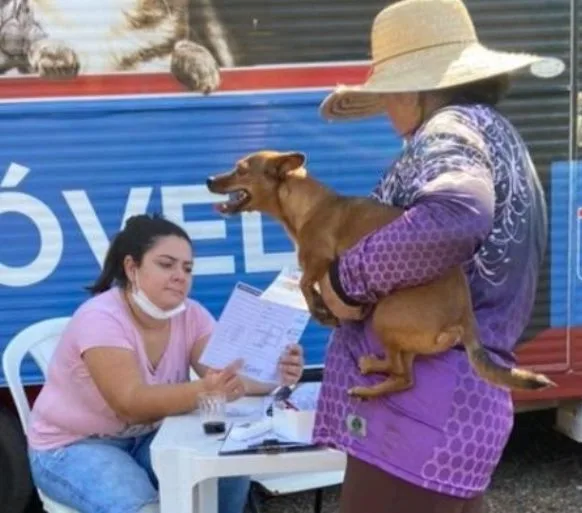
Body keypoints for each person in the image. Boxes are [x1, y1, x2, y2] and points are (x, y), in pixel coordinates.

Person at [311, 1, 552, 512]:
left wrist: (347, 280)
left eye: (388, 99)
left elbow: (458, 214)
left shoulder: (446, 132)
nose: (390, 120)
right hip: (460, 406)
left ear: (410, 90)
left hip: (418, 414)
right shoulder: (494, 131)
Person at [26, 213, 305, 513]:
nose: (180, 275)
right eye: (166, 264)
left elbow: (230, 375)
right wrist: (205, 389)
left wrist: (276, 374)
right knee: (145, 509)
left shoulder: (191, 314)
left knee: (227, 471)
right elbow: (130, 404)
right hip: (76, 445)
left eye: (187, 268)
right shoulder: (100, 318)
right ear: (132, 268)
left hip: (150, 437)